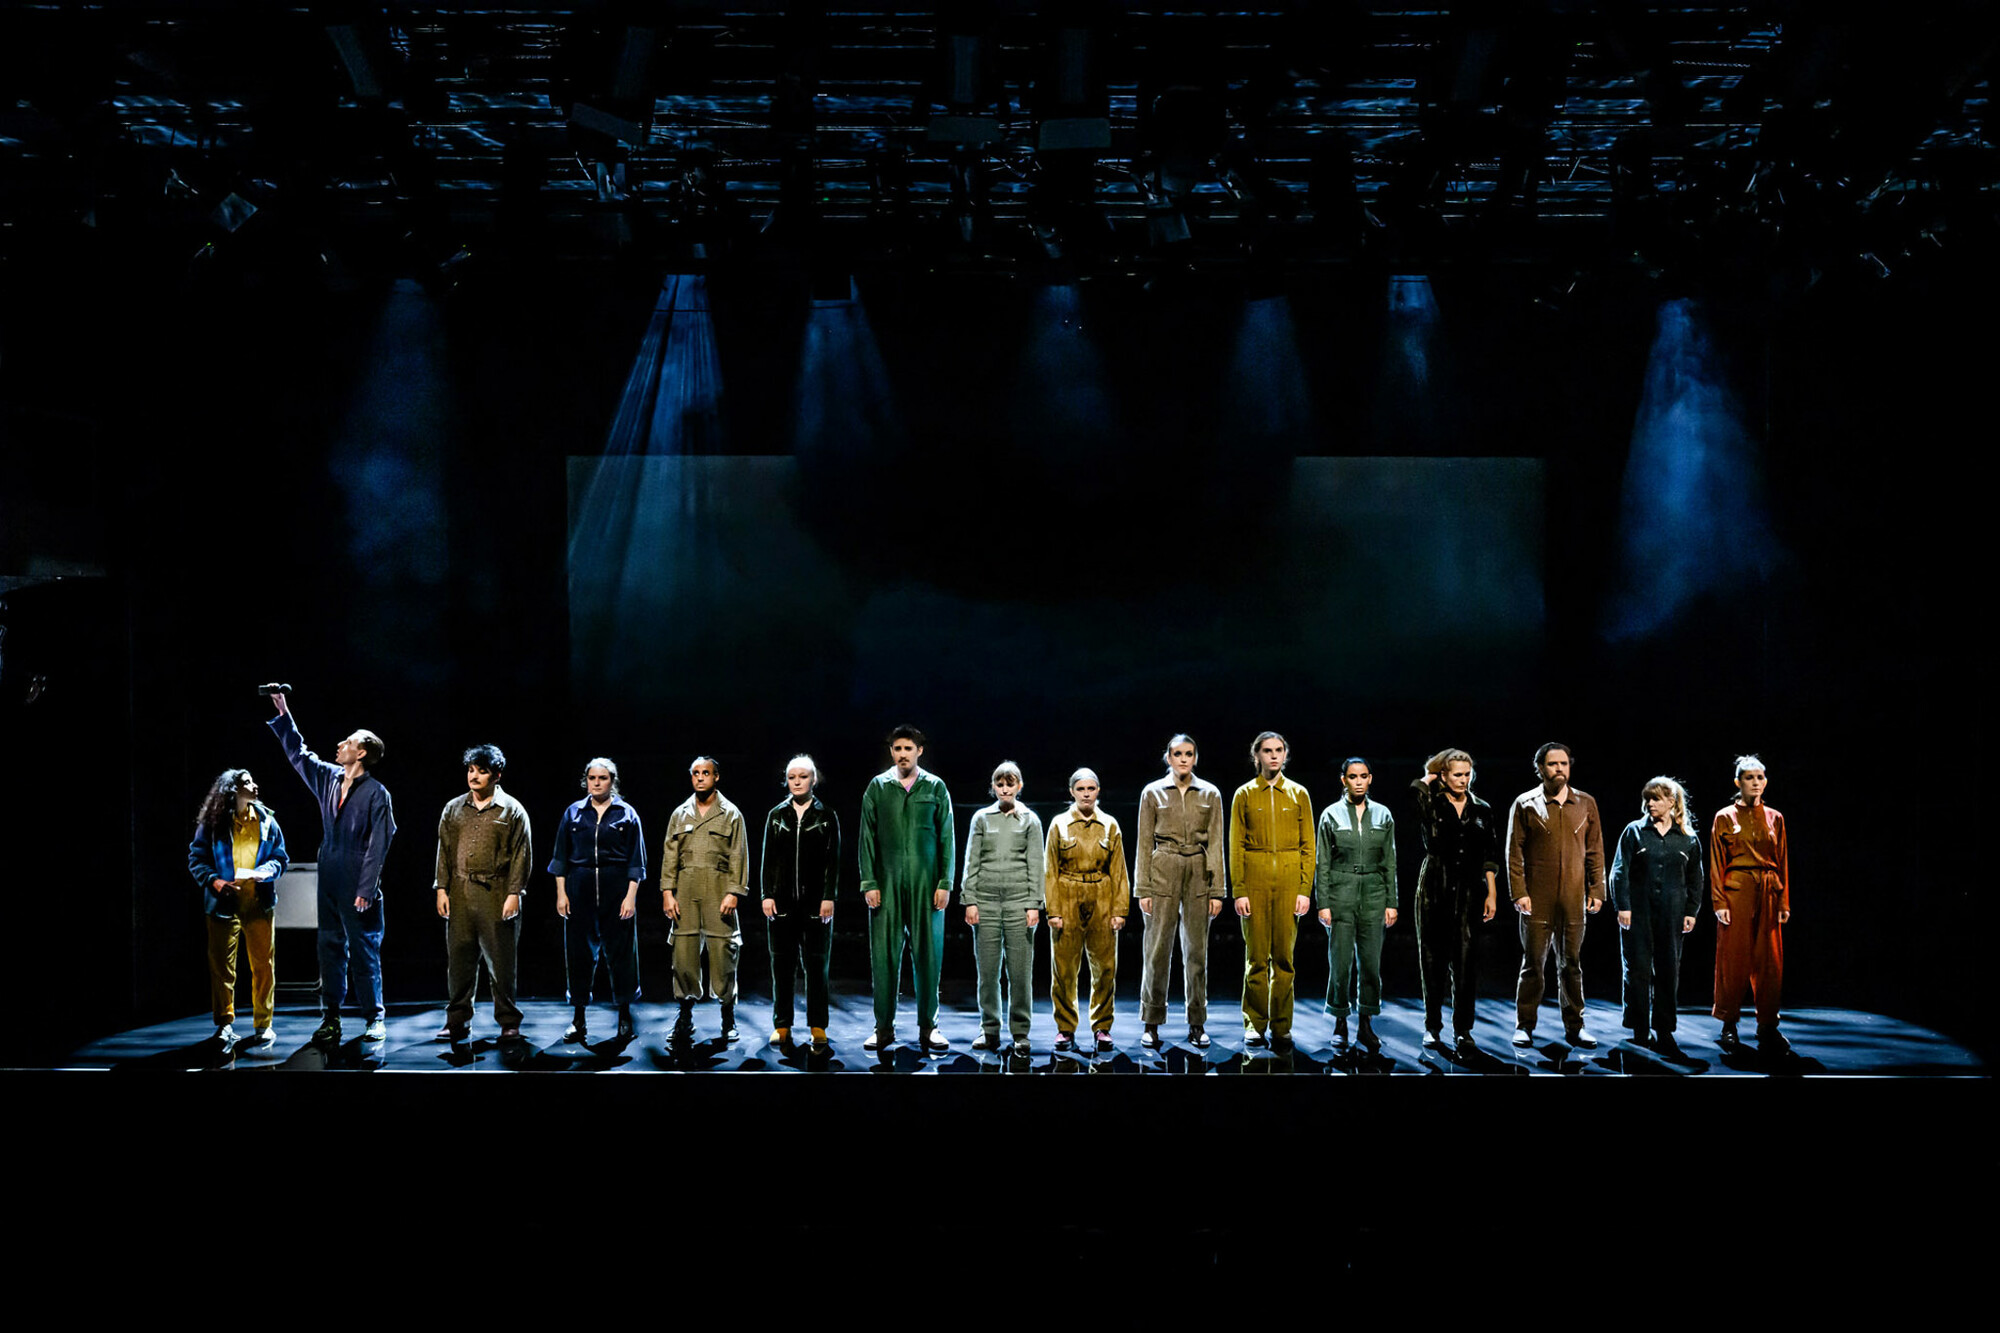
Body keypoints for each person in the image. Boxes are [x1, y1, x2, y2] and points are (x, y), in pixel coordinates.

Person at [266, 691, 395, 1044]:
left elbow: (379, 844)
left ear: (363, 752)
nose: (340, 745)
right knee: (329, 947)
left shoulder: (376, 794)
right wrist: (284, 713)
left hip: (357, 879)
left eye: (349, 742)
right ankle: (331, 1017)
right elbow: (299, 754)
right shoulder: (328, 778)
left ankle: (374, 1017)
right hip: (330, 876)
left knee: (364, 949)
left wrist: (366, 890)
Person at [858, 725, 956, 1053]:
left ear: (919, 751)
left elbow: (947, 838)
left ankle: (929, 1027)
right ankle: (883, 1028)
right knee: (884, 957)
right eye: (897, 748)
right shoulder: (878, 787)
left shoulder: (935, 787)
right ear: (891, 752)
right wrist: (869, 882)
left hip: (926, 886)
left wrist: (945, 883)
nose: (903, 754)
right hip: (885, 884)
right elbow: (866, 839)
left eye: (908, 748)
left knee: (929, 956)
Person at [1506, 742, 1607, 1049]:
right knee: (1533, 963)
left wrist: (1597, 889)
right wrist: (1519, 893)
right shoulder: (1525, 803)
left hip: (1574, 896)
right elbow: (1514, 852)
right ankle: (1524, 1025)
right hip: (1537, 897)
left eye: (1564, 763)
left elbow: (1596, 850)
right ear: (1540, 768)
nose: (1559, 769)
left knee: (1572, 963)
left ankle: (1576, 1026)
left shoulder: (1585, 803)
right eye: (1553, 764)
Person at [432, 744, 533, 1043]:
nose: (474, 776)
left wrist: (515, 892)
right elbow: (444, 852)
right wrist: (441, 888)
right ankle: (457, 1020)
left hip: (497, 890)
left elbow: (521, 855)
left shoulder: (512, 810)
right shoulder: (453, 808)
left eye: (482, 771)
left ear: (497, 775)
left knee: (501, 962)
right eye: (471, 770)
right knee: (460, 959)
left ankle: (508, 1021)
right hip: (461, 891)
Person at [1135, 734, 1227, 1049]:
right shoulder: (1153, 792)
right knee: (1158, 949)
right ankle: (1151, 1022)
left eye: (1189, 754)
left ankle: (1197, 1023)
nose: (1183, 759)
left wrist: (1218, 889)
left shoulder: (1210, 793)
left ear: (1195, 758)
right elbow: (1144, 842)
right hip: (1164, 866)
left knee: (1197, 951)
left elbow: (1216, 842)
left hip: (1198, 869)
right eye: (1178, 754)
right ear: (1169, 758)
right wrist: (1142, 887)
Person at [187, 769, 290, 1049]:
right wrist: (215, 881)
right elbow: (196, 859)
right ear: (233, 790)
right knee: (221, 968)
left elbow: (281, 858)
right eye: (247, 782)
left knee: (263, 966)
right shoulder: (213, 823)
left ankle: (263, 1024)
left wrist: (262, 873)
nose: (255, 785)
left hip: (258, 902)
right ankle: (224, 1024)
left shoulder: (267, 821)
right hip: (223, 904)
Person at [548, 758, 647, 1044]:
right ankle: (578, 1019)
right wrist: (561, 892)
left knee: (622, 955)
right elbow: (560, 857)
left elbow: (636, 861)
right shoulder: (574, 813)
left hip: (616, 887)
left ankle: (625, 1016)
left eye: (602, 778)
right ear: (586, 780)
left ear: (612, 781)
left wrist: (630, 897)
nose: (597, 782)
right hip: (579, 887)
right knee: (579, 955)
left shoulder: (627, 814)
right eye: (592, 777)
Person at [1228, 732, 1315, 1052]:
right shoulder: (1244, 794)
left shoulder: (1299, 793)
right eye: (1267, 751)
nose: (1274, 756)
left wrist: (1304, 888)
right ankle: (1254, 1023)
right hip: (1255, 881)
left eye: (1279, 751)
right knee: (1256, 959)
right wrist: (1239, 890)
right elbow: (1235, 845)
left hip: (1290, 882)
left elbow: (1309, 845)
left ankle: (1281, 1026)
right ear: (1257, 756)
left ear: (1286, 755)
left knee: (1284, 960)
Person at [1409, 750, 1500, 1053]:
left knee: (1465, 962)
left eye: (1466, 773)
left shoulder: (1482, 809)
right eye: (1456, 774)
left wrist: (1492, 892)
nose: (1463, 779)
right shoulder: (1431, 803)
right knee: (1432, 961)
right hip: (1435, 886)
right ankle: (1432, 1027)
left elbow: (1490, 853)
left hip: (1470, 889)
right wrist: (1427, 779)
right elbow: (1415, 797)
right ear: (1443, 776)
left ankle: (1463, 1030)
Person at [1609, 776, 1703, 1057]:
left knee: (1668, 970)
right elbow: (1619, 870)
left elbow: (1695, 878)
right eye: (1647, 798)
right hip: (1638, 911)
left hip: (1672, 912)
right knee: (1637, 969)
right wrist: (1622, 905)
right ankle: (1639, 1027)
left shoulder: (1688, 837)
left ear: (1671, 802)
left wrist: (1691, 911)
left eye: (1656, 798)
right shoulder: (1634, 831)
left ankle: (1664, 1029)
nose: (1650, 803)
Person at [662, 755, 748, 1043]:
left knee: (724, 954)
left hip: (718, 888)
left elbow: (738, 854)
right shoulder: (680, 813)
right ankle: (685, 1014)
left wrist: (734, 891)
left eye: (706, 773)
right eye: (696, 773)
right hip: (685, 890)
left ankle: (727, 1015)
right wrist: (667, 893)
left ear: (716, 777)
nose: (700, 778)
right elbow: (670, 855)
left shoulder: (731, 813)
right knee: (683, 955)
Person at [1314, 757, 1397, 1053]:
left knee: (1371, 964)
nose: (1358, 781)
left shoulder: (1383, 815)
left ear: (1370, 779)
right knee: (1340, 964)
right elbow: (1322, 862)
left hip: (1374, 894)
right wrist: (1322, 902)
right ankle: (1339, 1022)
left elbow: (1390, 861)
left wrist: (1392, 902)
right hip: (1340, 893)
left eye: (1363, 776)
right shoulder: (1331, 815)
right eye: (1353, 776)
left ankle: (1366, 1022)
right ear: (1343, 780)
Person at [962, 761, 1044, 1056]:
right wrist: (969, 899)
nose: (1005, 788)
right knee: (987, 972)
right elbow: (971, 861)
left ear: (1019, 786)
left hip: (1019, 903)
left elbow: (1037, 864)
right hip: (985, 902)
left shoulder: (1030, 820)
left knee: (1020, 973)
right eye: (1000, 783)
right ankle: (990, 1030)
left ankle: (1020, 1032)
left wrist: (1034, 904)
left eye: (1011, 783)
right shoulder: (982, 818)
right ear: (993, 787)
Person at [1709, 756, 1790, 1054]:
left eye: (1760, 777)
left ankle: (1767, 1024)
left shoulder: (1775, 818)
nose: (1755, 782)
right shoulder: (1724, 817)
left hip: (1769, 890)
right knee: (1734, 958)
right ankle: (1728, 1022)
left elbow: (1782, 861)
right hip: (1737, 890)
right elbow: (1717, 862)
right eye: (1749, 777)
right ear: (1737, 782)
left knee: (1769, 960)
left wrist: (1784, 901)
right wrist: (1719, 901)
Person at [1045, 768, 1129, 1052]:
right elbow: (1049, 870)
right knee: (1064, 968)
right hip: (1067, 893)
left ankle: (1102, 1026)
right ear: (1072, 791)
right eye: (1080, 789)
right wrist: (1053, 910)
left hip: (1101, 895)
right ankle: (1065, 1029)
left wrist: (1120, 910)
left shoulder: (1110, 825)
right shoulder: (1059, 824)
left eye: (1091, 789)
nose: (1086, 794)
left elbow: (1119, 871)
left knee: (1105, 967)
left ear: (1098, 791)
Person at [761, 755, 840, 1054]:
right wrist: (766, 894)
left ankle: (818, 1026)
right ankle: (782, 1025)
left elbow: (834, 860)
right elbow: (767, 859)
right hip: (781, 904)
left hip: (814, 904)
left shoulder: (826, 815)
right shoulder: (776, 815)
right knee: (781, 966)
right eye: (792, 776)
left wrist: (829, 896)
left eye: (803, 776)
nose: (797, 781)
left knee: (817, 967)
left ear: (813, 780)